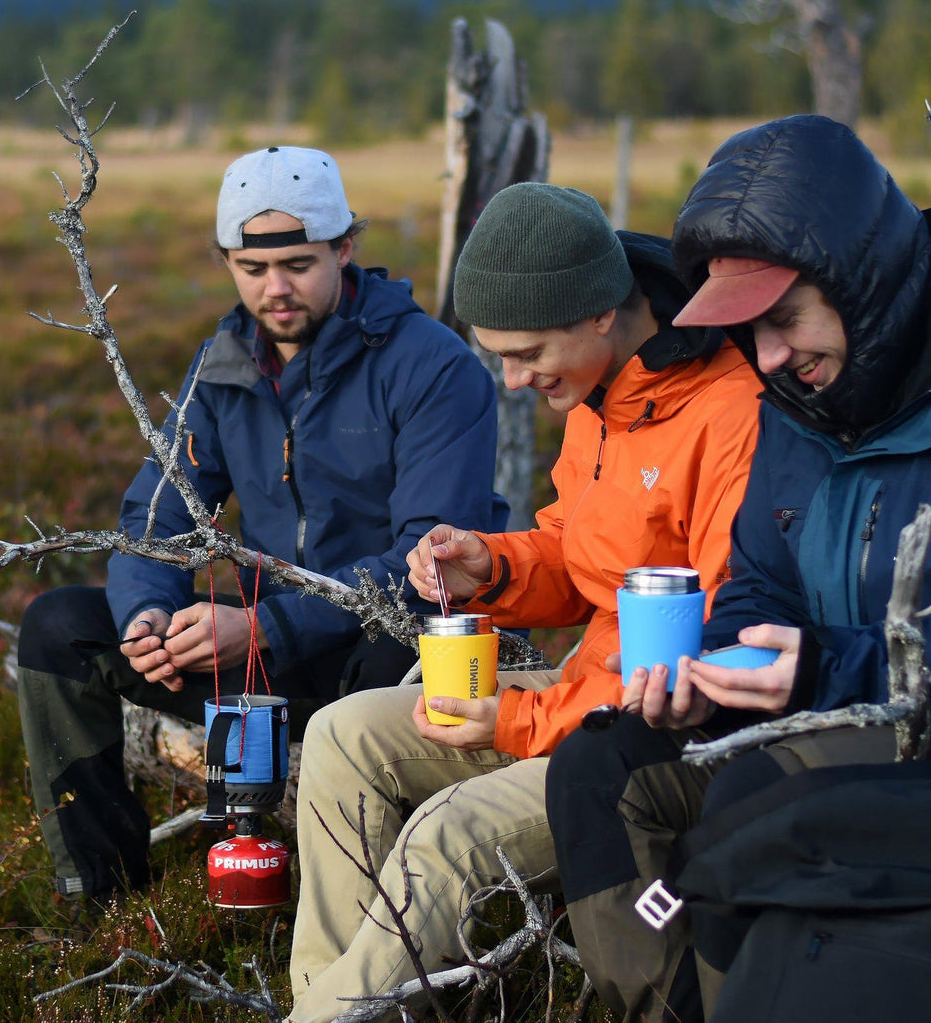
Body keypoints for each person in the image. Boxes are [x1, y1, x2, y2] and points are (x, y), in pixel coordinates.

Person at [288, 182, 760, 1022]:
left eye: (525, 352)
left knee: (448, 832)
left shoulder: (729, 418)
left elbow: (703, 659)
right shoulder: (602, 399)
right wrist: (494, 570)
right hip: (584, 696)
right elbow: (582, 561)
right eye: (497, 354)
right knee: (342, 735)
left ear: (598, 315)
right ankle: (331, 1002)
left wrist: (515, 720)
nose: (511, 380)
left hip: (650, 743)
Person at [15, 145, 508, 904]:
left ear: (346, 249)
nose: (275, 289)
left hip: (383, 657)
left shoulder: (433, 368)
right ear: (226, 264)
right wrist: (147, 615)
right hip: (258, 663)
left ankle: (380, 909)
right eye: (251, 269)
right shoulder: (221, 368)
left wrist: (268, 625)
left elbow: (432, 567)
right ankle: (99, 900)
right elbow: (158, 516)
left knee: (395, 655)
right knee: (60, 629)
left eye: (299, 264)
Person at [545, 113, 931, 1023]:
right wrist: (711, 670)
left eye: (785, 321)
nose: (770, 359)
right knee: (601, 768)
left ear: (859, 283)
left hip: (902, 737)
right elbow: (757, 582)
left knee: (750, 814)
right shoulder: (794, 409)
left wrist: (830, 669)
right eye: (750, 334)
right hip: (812, 716)